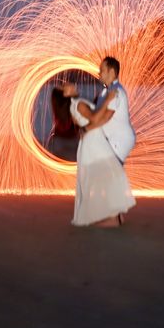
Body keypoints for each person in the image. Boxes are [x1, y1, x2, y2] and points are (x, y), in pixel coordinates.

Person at [63, 56, 136, 227]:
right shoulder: (106, 91)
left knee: (109, 176)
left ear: (111, 72)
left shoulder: (115, 92)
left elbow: (104, 118)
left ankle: (114, 219)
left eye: (102, 70)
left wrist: (86, 129)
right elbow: (99, 115)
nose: (99, 73)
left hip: (119, 140)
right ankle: (116, 216)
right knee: (109, 175)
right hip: (112, 139)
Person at [46, 86, 78, 161]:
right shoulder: (70, 104)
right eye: (64, 87)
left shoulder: (57, 101)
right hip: (70, 140)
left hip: (59, 140)